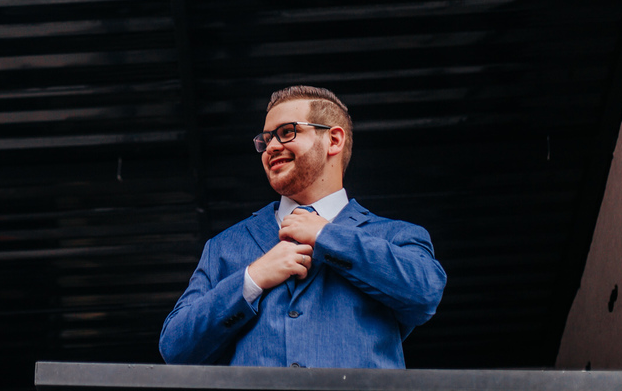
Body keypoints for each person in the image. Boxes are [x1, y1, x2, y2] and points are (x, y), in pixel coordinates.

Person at [159, 85, 446, 368]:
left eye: (287, 132)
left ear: (334, 140)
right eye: (266, 139)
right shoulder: (223, 246)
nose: (271, 147)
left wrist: (325, 236)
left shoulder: (398, 236)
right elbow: (175, 348)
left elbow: (425, 294)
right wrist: (252, 279)